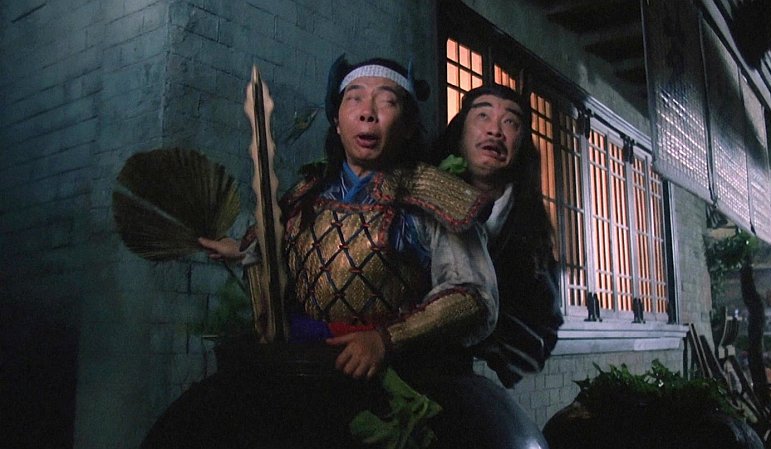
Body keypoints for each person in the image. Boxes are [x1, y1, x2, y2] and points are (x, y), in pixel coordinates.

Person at [145, 57, 547, 449]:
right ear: (337, 121)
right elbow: (276, 251)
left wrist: (387, 339)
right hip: (306, 365)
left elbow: (474, 296)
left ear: (408, 126)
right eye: (354, 99)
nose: (368, 112)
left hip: (394, 373)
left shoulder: (437, 198)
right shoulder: (307, 193)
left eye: (387, 101)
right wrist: (240, 249)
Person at [434, 84, 563, 388]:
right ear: (460, 132)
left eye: (510, 122)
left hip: (485, 389)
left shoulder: (532, 231)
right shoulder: (422, 202)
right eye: (483, 116)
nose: (495, 131)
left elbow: (544, 329)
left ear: (521, 144)